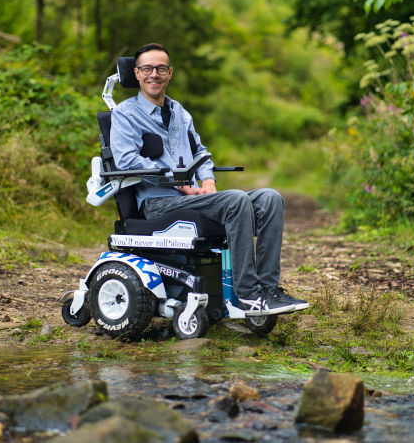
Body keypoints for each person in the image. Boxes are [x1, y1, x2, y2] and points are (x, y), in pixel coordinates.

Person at [110, 43, 308, 316]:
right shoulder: (125, 114)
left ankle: (269, 290)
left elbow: (201, 153)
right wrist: (176, 181)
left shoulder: (179, 112)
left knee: (270, 198)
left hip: (192, 199)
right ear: (136, 73)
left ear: (170, 73)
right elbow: (126, 161)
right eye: (146, 69)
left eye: (161, 68)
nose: (153, 74)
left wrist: (208, 181)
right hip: (157, 203)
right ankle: (248, 295)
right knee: (237, 200)